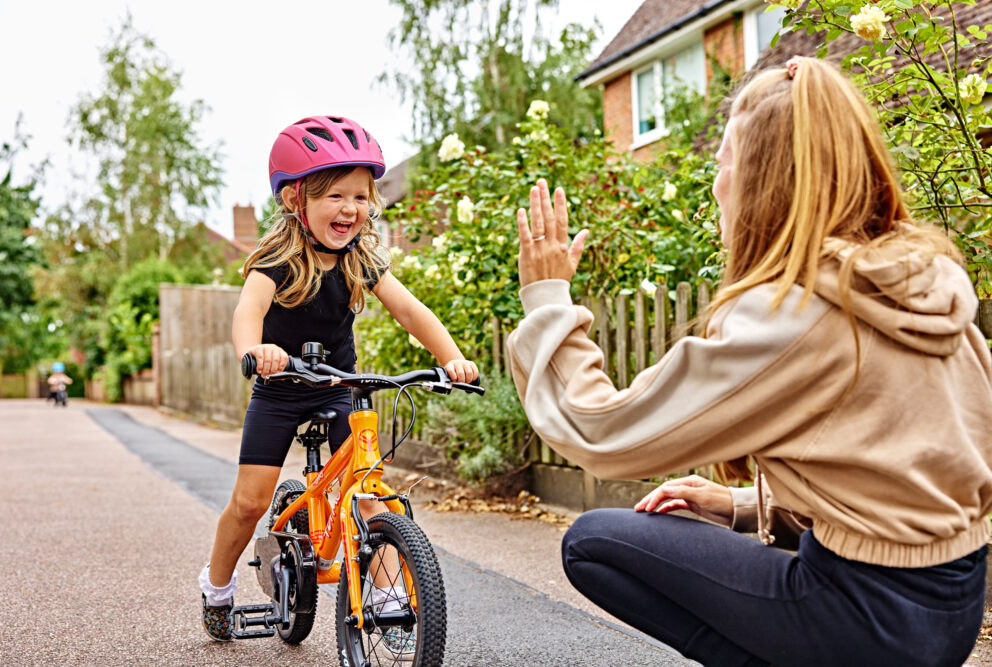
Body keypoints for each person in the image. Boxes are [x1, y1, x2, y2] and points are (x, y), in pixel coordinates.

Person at [508, 57, 992, 666]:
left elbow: (602, 432)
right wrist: (740, 506)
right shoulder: (920, 282)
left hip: (863, 616)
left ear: (759, 181)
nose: (716, 186)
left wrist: (548, 298)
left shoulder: (798, 312)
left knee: (592, 542)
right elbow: (910, 471)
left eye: (722, 165)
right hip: (951, 606)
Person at [199, 115, 479, 643]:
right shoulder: (277, 257)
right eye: (334, 196)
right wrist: (255, 350)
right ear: (295, 200)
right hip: (281, 389)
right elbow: (247, 311)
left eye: (360, 196)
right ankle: (216, 587)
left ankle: (391, 601)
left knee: (371, 496)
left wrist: (453, 358)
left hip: (338, 385)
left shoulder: (361, 258)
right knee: (250, 502)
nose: (350, 208)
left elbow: (411, 312)